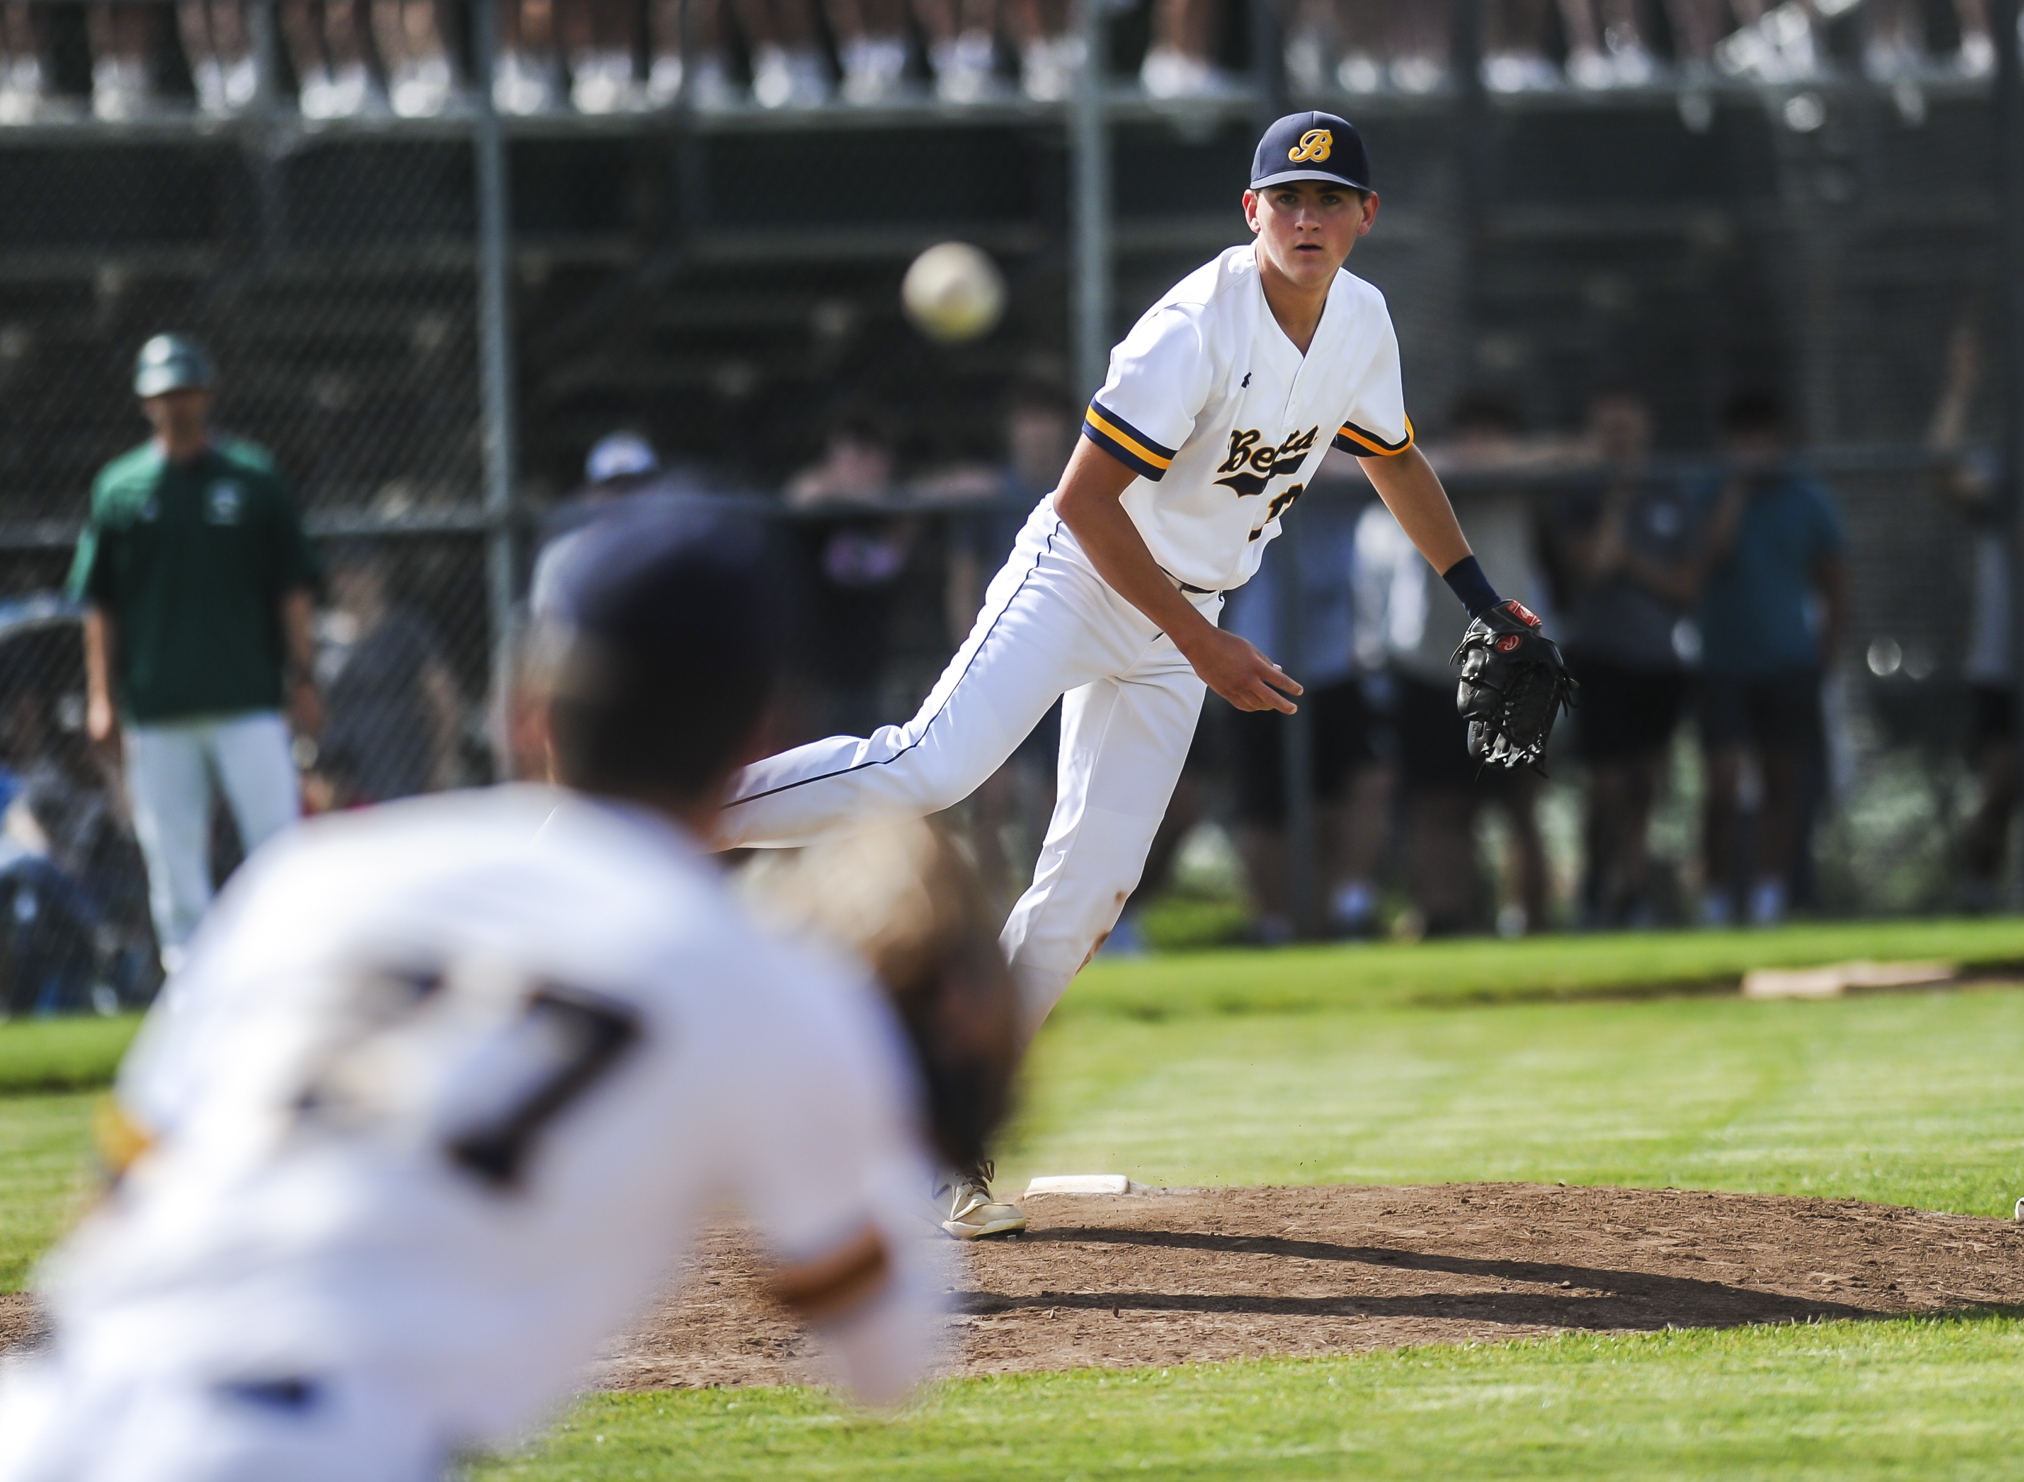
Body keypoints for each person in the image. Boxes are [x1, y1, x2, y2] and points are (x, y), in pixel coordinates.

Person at [0, 505, 976, 1480]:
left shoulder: (315, 876)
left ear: (527, 710)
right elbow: (885, 1357)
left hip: (38, 1424)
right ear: (765, 732)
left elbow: (120, 1192)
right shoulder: (757, 983)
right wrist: (927, 1102)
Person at [716, 112, 1563, 1235]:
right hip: (1077, 580)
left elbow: (1395, 458)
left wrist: (1480, 599)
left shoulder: (1359, 321)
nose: (1306, 218)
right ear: (1250, 211)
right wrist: (1201, 646)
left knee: (1086, 891)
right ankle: (662, 814)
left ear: (1365, 217)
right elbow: (1081, 500)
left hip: (1187, 615)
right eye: (1286, 198)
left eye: (1329, 199)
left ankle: (938, 1144)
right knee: (930, 768)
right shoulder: (1195, 325)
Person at [69, 334, 323, 976]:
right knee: (174, 859)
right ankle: (191, 991)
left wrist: (304, 676)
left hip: (247, 698)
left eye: (184, 391)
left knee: (277, 848)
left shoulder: (253, 478)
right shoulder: (120, 488)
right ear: (144, 401)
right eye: (162, 394)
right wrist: (101, 696)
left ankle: (289, 974)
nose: (174, 404)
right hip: (158, 706)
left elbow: (291, 587)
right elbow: (99, 603)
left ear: (207, 393)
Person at [1221, 454, 1390, 941]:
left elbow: (1405, 462)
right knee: (1266, 807)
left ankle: (1347, 909)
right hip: (1261, 655)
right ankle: (1277, 925)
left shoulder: (1353, 452)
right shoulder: (1264, 442)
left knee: (1363, 784)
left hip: (1337, 657)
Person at [1545, 391, 1699, 927]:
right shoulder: (1581, 497)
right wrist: (1618, 500)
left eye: (1627, 428)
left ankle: (1630, 891)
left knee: (1645, 783)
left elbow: (1684, 583)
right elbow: (1593, 567)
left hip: (1658, 660)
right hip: (1599, 657)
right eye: (1608, 430)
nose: (1620, 440)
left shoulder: (1673, 492)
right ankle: (1594, 884)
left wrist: (1631, 562)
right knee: (1606, 786)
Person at [1694, 388, 1846, 928]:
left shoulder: (1808, 499)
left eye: (1762, 437)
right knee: (1723, 782)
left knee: (1785, 781)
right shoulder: (1709, 491)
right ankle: (1714, 902)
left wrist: (1824, 657)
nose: (1753, 448)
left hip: (1789, 663)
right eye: (1743, 438)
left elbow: (1834, 583)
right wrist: (1735, 492)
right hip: (1722, 663)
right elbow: (1703, 562)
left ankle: (1768, 900)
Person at [313, 545, 463, 809]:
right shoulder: (318, 636)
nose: (350, 583)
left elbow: (443, 700)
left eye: (358, 573)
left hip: (400, 771)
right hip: (340, 780)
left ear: (378, 575)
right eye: (342, 574)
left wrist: (442, 765)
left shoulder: (406, 629)